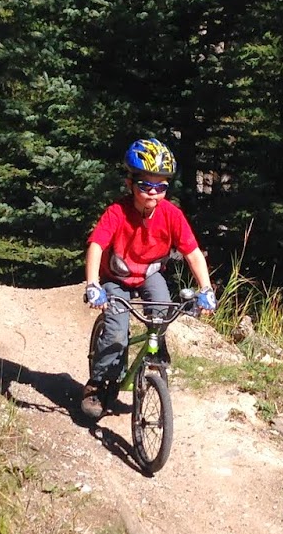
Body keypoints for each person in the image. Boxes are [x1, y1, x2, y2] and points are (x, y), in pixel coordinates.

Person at [80, 139, 217, 420]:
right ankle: (99, 382)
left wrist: (206, 289)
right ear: (131, 183)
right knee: (117, 331)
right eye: (145, 186)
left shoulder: (171, 215)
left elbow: (192, 252)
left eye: (161, 186)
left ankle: (156, 350)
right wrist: (93, 284)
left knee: (163, 311)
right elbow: (96, 246)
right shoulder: (117, 212)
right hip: (116, 279)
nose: (153, 193)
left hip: (149, 276)